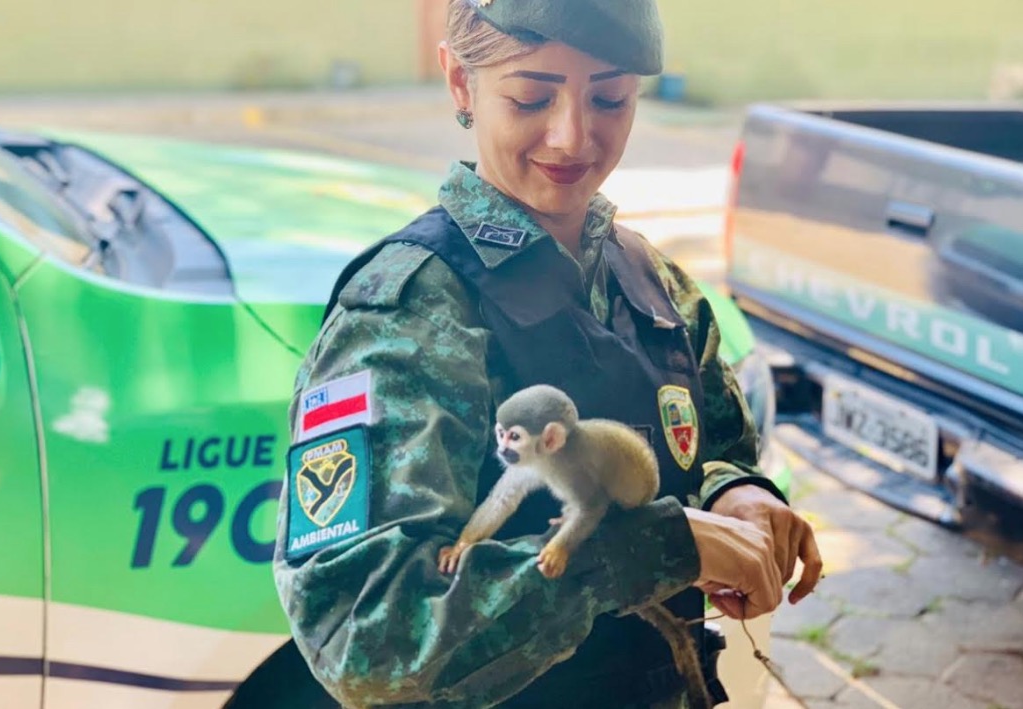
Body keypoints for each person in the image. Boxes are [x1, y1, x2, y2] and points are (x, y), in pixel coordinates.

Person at [273, 0, 823, 707]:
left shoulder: (647, 278)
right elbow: (361, 637)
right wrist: (652, 549)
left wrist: (736, 493)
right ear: (460, 82)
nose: (572, 137)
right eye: (531, 97)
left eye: (609, 98)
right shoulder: (409, 312)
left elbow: (711, 445)